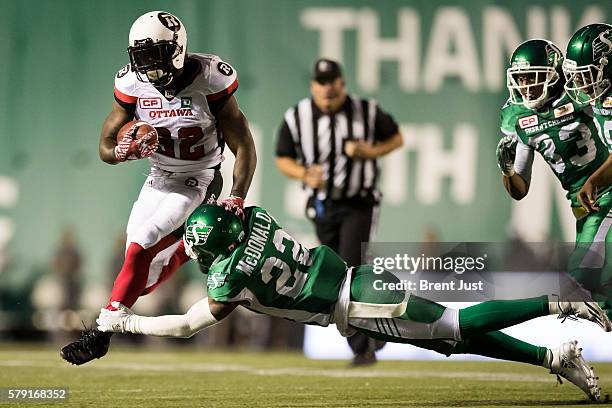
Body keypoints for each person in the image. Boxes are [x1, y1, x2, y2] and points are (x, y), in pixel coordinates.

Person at [97, 204, 610, 401]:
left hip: (360, 303)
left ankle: (553, 302)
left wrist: (127, 325)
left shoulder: (231, 275)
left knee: (454, 325)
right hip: (357, 283)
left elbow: (188, 326)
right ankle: (551, 358)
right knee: (451, 342)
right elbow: (240, 207)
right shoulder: (254, 219)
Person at [60, 10, 257, 365]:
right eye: (142, 60)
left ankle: (102, 333)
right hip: (159, 176)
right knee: (139, 269)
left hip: (200, 177)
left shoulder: (211, 79)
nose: (149, 69)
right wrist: (121, 152)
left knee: (141, 245)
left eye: (156, 58)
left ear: (177, 50)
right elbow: (105, 145)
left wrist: (237, 194)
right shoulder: (131, 84)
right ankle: (189, 247)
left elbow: (243, 144)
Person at [275, 58, 403, 365]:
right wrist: (305, 174)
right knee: (333, 273)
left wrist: (368, 152)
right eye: (322, 83)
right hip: (322, 206)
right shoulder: (297, 117)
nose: (327, 89)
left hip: (358, 202)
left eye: (332, 82)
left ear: (342, 83)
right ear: (313, 86)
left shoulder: (366, 111)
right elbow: (283, 158)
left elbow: (396, 138)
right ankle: (372, 335)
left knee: (351, 268)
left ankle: (365, 344)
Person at [496, 39, 611, 318]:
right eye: (520, 79)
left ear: (554, 73)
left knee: (579, 278)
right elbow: (520, 189)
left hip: (606, 191)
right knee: (595, 290)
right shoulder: (518, 117)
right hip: (585, 205)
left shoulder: (579, 95)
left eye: (532, 77)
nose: (526, 86)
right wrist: (508, 170)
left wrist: (595, 181)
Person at [563, 24, 612, 222]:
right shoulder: (602, 95)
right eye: (577, 75)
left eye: (587, 74)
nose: (581, 83)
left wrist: (595, 180)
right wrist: (596, 181)